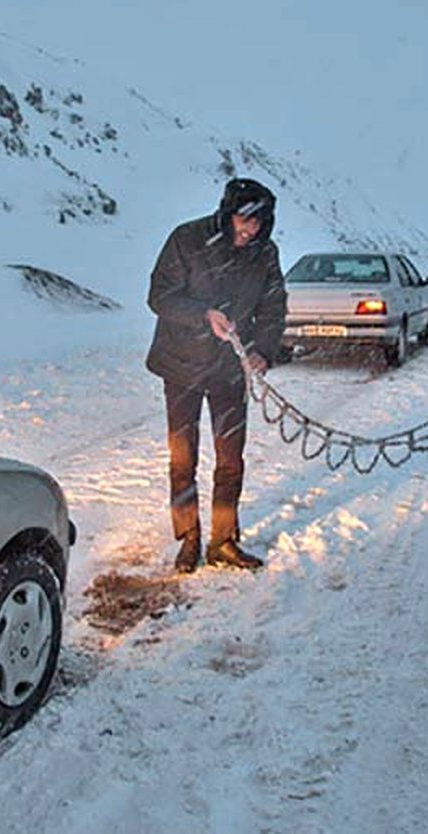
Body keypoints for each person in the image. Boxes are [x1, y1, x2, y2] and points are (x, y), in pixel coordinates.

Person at [146, 178, 287, 573]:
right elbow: (160, 296)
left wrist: (262, 350)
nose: (250, 230)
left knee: (230, 459)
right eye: (244, 220)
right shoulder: (187, 239)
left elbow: (274, 307)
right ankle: (188, 537)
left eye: (259, 223)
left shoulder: (265, 254)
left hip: (229, 371)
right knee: (182, 457)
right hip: (182, 365)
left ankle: (223, 541)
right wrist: (203, 315)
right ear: (227, 214)